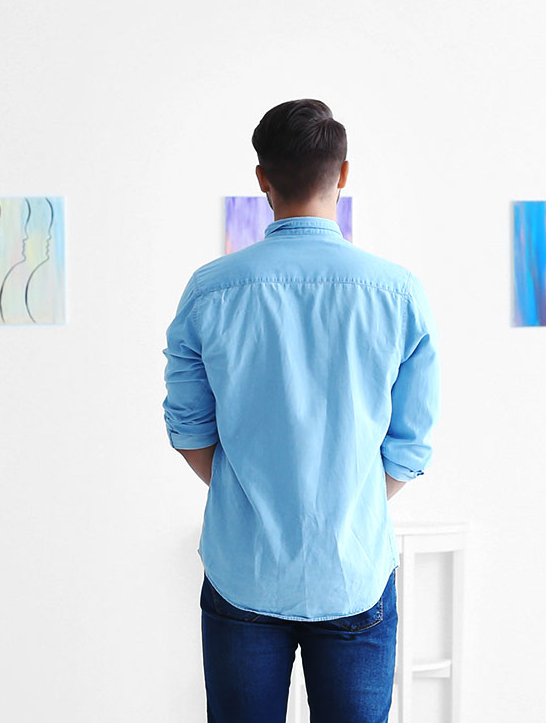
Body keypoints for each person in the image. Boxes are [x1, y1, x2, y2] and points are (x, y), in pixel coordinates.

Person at [163, 99, 440, 722]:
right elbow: (411, 444)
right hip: (353, 570)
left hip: (244, 567)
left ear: (262, 178)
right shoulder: (397, 293)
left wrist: (249, 493)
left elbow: (188, 428)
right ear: (343, 175)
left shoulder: (210, 290)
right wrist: (349, 498)